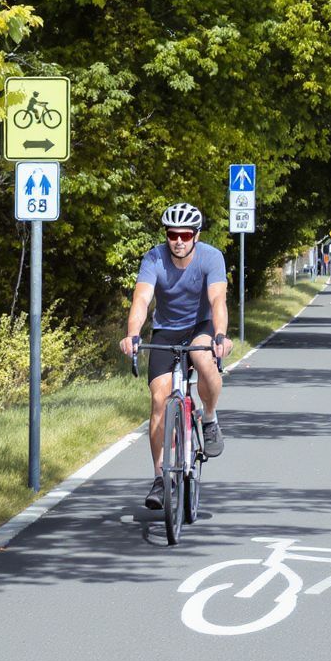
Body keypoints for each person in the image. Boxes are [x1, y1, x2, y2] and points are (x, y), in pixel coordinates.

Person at [119, 203, 234, 509]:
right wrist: (133, 334)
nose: (179, 241)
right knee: (159, 400)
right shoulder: (154, 258)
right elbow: (141, 300)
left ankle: (209, 419)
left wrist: (220, 336)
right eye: (173, 234)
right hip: (166, 330)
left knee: (204, 360)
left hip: (200, 326)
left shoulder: (211, 257)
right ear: (166, 235)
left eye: (185, 234)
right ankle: (161, 478)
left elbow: (217, 299)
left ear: (196, 235)